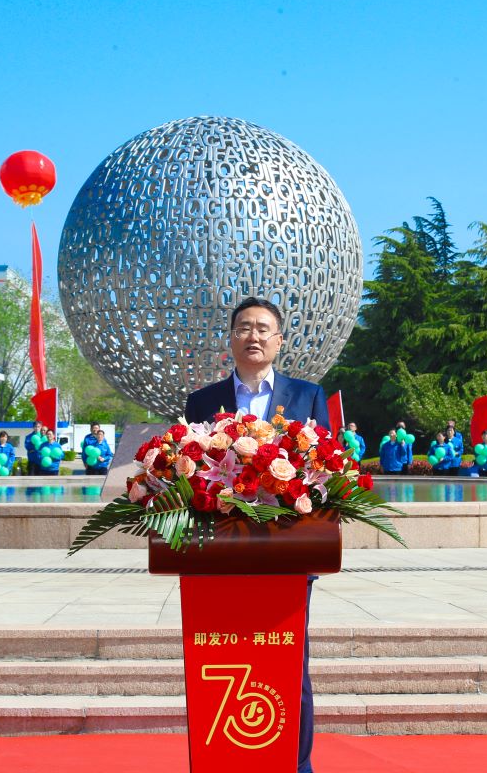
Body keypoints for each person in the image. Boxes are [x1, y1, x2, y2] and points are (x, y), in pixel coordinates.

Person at [182, 296, 329, 773]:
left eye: (264, 329)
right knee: (225, 655)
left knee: (292, 667)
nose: (254, 336)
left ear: (279, 340)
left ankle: (298, 765)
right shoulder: (202, 402)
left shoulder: (308, 396)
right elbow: (188, 477)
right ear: (231, 339)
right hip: (221, 557)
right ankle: (225, 759)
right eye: (244, 327)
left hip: (287, 556)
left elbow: (326, 474)